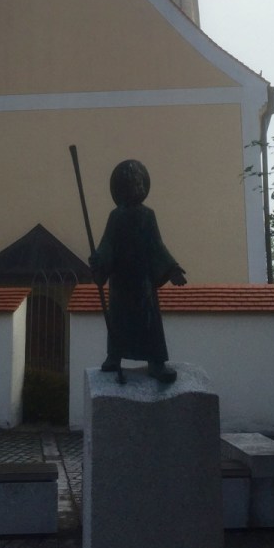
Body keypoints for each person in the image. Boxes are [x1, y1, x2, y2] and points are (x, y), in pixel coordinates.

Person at [89, 159, 187, 383]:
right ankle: (114, 357)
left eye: (141, 183)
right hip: (121, 280)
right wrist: (99, 260)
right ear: (124, 188)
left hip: (142, 280)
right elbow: (107, 245)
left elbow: (157, 245)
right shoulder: (116, 216)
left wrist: (172, 269)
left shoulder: (147, 215)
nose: (139, 187)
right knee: (118, 319)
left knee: (150, 322)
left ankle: (156, 362)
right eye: (134, 183)